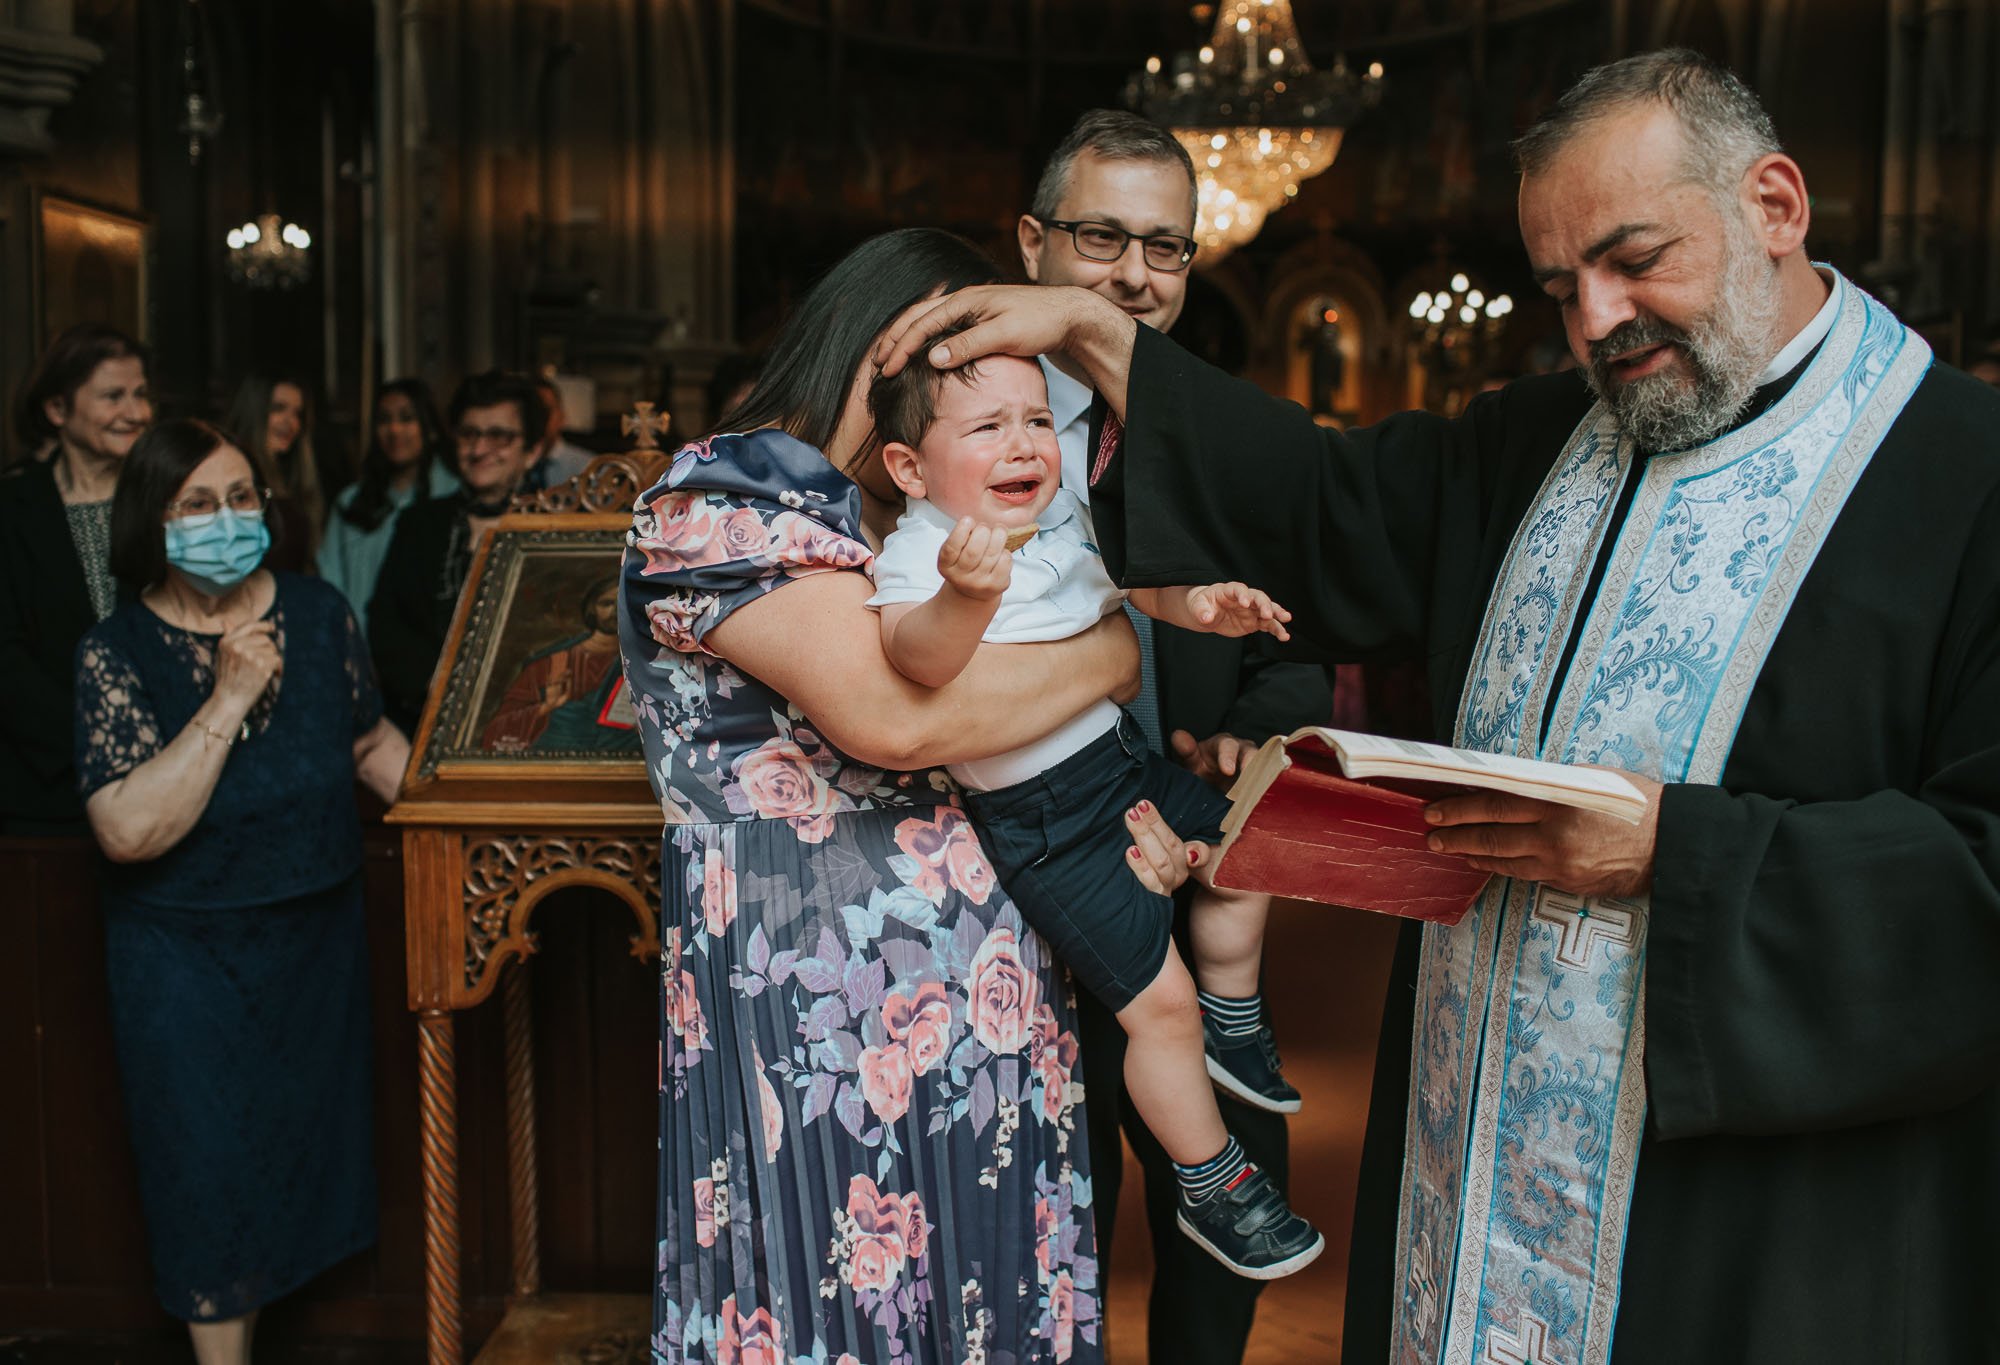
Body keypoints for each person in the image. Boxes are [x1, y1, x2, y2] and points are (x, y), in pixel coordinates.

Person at [880, 48, 2000, 1365]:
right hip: (1474, 1152)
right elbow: (1320, 502)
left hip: (1759, 1223)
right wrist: (1099, 338)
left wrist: (1672, 856)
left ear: (1774, 203)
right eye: (1559, 285)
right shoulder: (1543, 437)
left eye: (1635, 258)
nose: (1597, 321)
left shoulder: (1965, 481)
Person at [619, 227, 1210, 1365]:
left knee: (988, 1291)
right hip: (816, 989)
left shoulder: (910, 518)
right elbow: (899, 722)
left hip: (985, 971)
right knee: (830, 1297)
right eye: (969, 360)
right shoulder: (727, 492)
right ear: (890, 341)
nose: (1001, 417)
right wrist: (1109, 655)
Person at [865, 339, 1321, 1278]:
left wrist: (1202, 604)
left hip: (1122, 768)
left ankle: (1238, 1016)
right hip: (1046, 824)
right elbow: (917, 662)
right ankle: (1214, 1182)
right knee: (1160, 1006)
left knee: (1252, 845)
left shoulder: (1063, 514)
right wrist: (966, 595)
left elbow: (1133, 586)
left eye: (1037, 420)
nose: (1024, 443)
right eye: (988, 427)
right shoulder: (919, 554)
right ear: (910, 467)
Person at [1017, 107, 1330, 1358]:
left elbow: (1294, 646)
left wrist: (1248, 746)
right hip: (1021, 889)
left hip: (1196, 873)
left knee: (1239, 1181)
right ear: (1031, 241)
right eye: (1102, 237)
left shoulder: (1219, 435)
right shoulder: (955, 425)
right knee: (1054, 1209)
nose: (1135, 277)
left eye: (1166, 248)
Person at [73, 418, 407, 1365]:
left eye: (240, 497)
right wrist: (224, 698)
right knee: (205, 1176)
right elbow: (127, 829)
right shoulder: (115, 652)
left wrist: (480, 787)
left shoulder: (321, 611)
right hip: (183, 965)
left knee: (301, 1160)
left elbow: (372, 748)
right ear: (152, 519)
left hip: (315, 948)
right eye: (196, 504)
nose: (225, 519)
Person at [0, 323, 152, 833]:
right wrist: (94, 737)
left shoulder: (165, 499)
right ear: (57, 410)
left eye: (140, 394)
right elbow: (7, 655)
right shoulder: (13, 507)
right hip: (45, 788)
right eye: (113, 396)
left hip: (159, 774)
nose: (135, 413)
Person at [369, 370, 546, 732]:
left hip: (530, 722)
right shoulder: (418, 523)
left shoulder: (557, 531)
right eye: (469, 434)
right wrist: (443, 686)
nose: (479, 450)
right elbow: (385, 625)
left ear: (532, 451)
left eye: (499, 436)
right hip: (423, 719)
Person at [317, 378, 459, 636]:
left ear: (430, 429)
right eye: (384, 420)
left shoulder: (452, 496)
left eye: (407, 419)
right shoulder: (351, 502)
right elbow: (331, 582)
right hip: (358, 646)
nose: (394, 430)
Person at [481, 573, 625, 752]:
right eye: (606, 603)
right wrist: (546, 707)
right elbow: (497, 731)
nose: (615, 610)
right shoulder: (551, 663)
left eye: (624, 601)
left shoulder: (650, 662)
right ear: (592, 609)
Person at [222, 374, 327, 571]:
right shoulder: (231, 478)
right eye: (278, 409)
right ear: (254, 412)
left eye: (298, 414)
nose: (291, 422)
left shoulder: (294, 479)